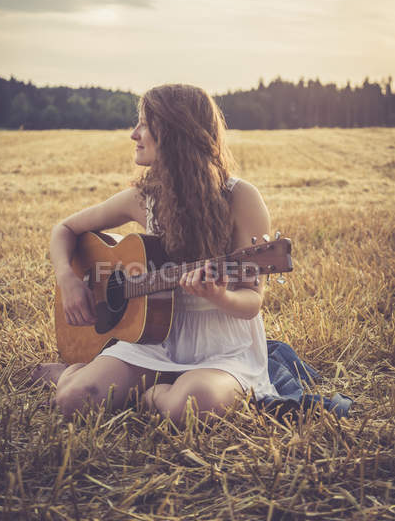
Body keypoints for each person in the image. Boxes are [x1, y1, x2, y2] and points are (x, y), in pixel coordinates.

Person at [31, 84, 278, 426]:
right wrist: (68, 278)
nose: (134, 134)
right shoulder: (142, 198)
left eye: (145, 125)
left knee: (192, 408)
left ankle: (154, 395)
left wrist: (218, 294)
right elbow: (64, 229)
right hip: (152, 339)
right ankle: (73, 374)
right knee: (75, 399)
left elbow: (252, 300)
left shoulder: (241, 198)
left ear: (176, 132)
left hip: (222, 347)